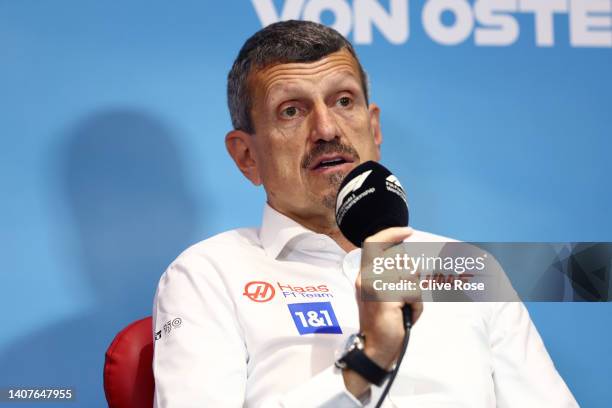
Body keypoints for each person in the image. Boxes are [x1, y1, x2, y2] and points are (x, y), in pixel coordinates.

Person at [152, 20, 578, 407]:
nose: (326, 129)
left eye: (343, 101)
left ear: (374, 129)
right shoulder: (208, 276)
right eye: (292, 111)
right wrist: (367, 361)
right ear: (247, 157)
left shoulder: (469, 268)